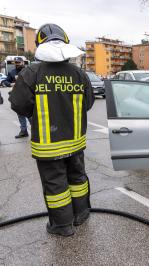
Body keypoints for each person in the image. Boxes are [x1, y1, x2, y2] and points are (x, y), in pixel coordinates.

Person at [9, 24, 95, 237]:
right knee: (77, 178)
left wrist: (34, 115)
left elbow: (19, 104)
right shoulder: (79, 73)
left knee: (56, 185)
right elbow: (89, 102)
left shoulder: (32, 73)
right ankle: (81, 214)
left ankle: (61, 225)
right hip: (75, 142)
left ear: (40, 45)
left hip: (48, 145)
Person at [4, 57, 31, 138]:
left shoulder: (29, 71)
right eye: (16, 63)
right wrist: (10, 84)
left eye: (19, 62)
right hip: (16, 96)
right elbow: (6, 81)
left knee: (30, 114)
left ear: (23, 62)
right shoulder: (12, 72)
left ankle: (36, 131)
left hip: (27, 95)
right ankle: (23, 131)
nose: (17, 64)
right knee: (20, 114)